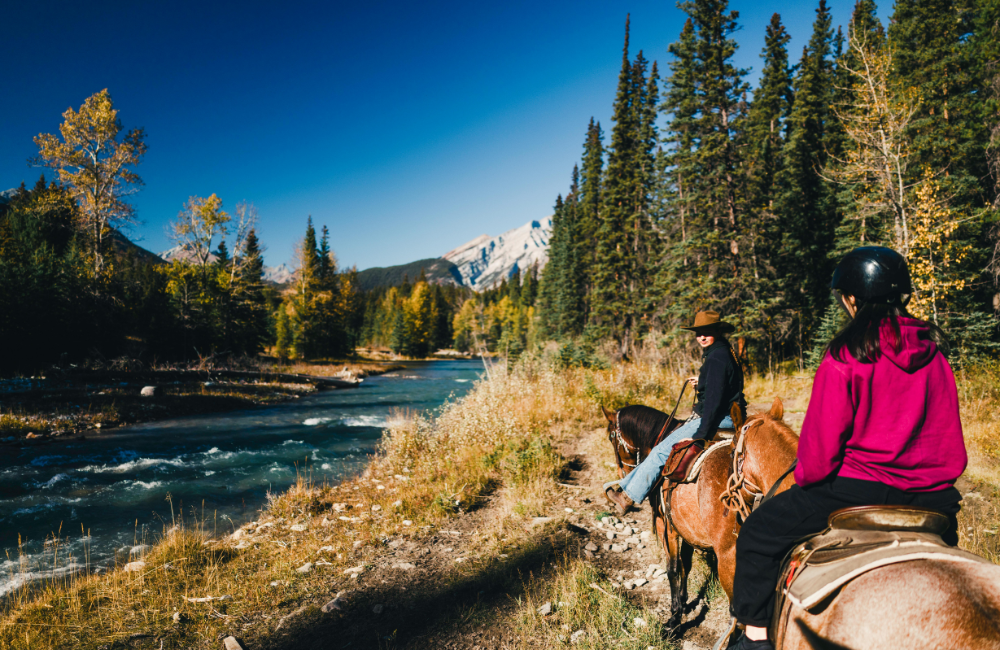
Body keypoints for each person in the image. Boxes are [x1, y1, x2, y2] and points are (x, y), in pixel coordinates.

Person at [729, 246, 967, 650]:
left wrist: (805, 478)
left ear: (851, 298)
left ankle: (754, 640)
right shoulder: (935, 355)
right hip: (935, 500)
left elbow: (818, 458)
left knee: (755, 536)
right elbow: (949, 438)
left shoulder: (846, 356)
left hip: (857, 491)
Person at [605, 310, 747, 515]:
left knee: (660, 451)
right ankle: (625, 485)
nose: (702, 337)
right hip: (729, 416)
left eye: (707, 332)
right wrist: (703, 383)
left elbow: (714, 402)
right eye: (698, 333)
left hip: (716, 418)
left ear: (717, 331)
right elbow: (725, 386)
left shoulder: (716, 357)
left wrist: (701, 435)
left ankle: (627, 498)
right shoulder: (724, 352)